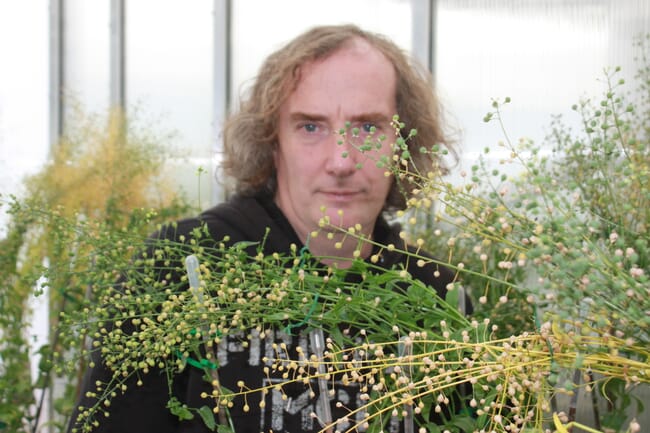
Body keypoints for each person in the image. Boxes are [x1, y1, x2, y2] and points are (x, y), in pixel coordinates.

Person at [67, 24, 459, 433]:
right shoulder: (181, 269)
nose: (342, 161)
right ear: (273, 144)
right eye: (311, 127)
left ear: (405, 143)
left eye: (367, 128)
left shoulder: (434, 296)